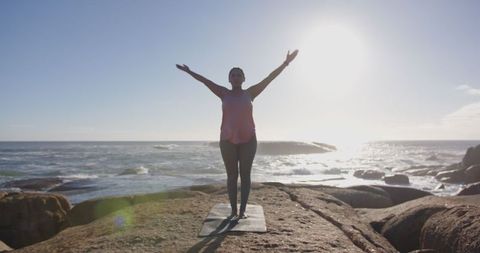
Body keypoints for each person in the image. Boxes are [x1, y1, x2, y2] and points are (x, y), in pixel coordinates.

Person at [176, 49, 299, 220]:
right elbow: (205, 81)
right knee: (232, 176)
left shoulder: (251, 93)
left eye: (238, 75)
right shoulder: (223, 93)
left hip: (249, 139)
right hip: (227, 139)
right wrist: (189, 72)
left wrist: (286, 63)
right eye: (232, 75)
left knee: (246, 175)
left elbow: (269, 78)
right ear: (229, 79)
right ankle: (233, 210)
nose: (235, 77)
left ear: (243, 78)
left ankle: (242, 211)